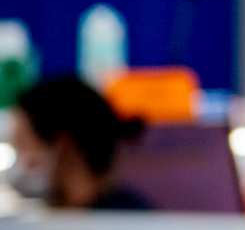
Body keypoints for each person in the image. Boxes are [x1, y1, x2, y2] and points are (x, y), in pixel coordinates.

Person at [10, 75, 152, 212]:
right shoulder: (46, 219)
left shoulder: (130, 221)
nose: (19, 159)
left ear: (64, 146)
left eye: (22, 143)